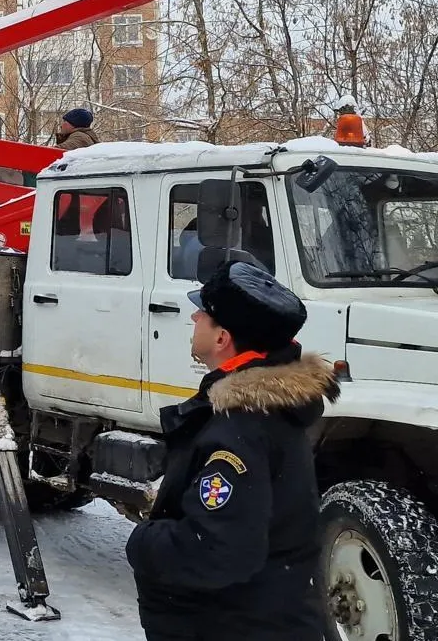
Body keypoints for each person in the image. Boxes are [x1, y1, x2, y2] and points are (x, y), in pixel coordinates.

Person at [123, 258, 339, 641]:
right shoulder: (264, 411)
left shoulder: (240, 429)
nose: (193, 318)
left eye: (202, 313)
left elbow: (217, 550)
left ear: (222, 338)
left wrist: (143, 542)